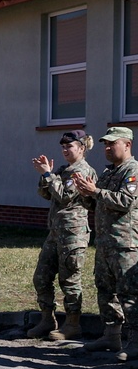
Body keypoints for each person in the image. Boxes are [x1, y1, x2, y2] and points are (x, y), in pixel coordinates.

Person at [26, 130, 97, 340]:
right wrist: (45, 175)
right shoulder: (64, 170)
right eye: (63, 147)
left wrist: (49, 175)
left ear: (81, 148)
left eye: (70, 146)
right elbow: (46, 194)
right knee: (41, 277)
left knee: (70, 280)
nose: (65, 150)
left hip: (73, 234)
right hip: (56, 232)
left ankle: (73, 324)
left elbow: (65, 196)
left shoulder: (83, 171)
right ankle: (47, 319)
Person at [74, 127, 138, 356]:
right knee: (105, 290)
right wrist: (86, 194)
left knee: (129, 293)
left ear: (127, 144)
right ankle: (111, 336)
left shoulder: (132, 170)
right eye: (105, 144)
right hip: (104, 243)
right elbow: (98, 204)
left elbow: (126, 201)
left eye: (112, 143)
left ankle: (135, 342)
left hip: (124, 244)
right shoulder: (108, 172)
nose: (107, 148)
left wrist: (96, 191)